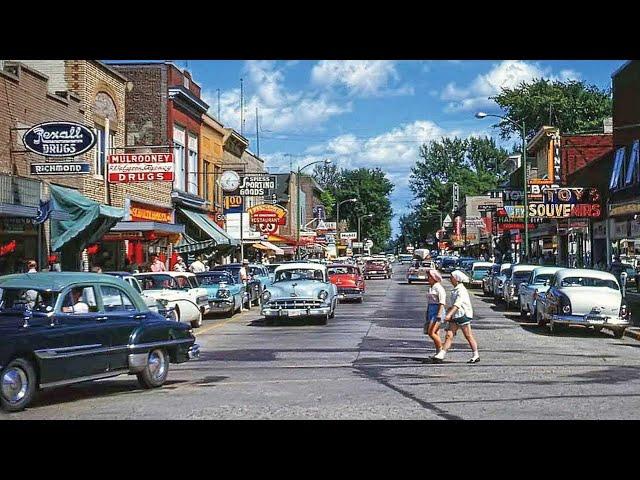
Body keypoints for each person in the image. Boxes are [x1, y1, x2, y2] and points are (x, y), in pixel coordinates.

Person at [432, 270, 480, 364]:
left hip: (463, 315)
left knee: (468, 335)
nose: (450, 279)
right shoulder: (456, 289)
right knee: (449, 335)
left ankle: (476, 354)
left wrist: (449, 314)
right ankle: (442, 354)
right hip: (456, 315)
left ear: (456, 279)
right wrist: (449, 312)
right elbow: (454, 304)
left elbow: (457, 304)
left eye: (452, 277)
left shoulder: (461, 290)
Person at [425, 269, 447, 360]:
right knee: (436, 332)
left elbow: (442, 302)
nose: (428, 278)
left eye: (429, 277)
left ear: (434, 278)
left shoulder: (438, 287)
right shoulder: (431, 287)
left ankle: (441, 350)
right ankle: (437, 352)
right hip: (431, 310)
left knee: (431, 332)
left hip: (437, 311)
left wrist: (439, 314)